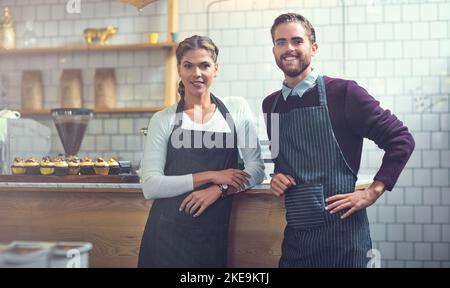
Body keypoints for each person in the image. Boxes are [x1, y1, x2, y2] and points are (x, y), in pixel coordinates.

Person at [262, 13, 415, 268]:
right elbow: (282, 160)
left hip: (345, 241)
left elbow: (401, 138)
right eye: (281, 42)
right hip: (297, 242)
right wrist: (278, 176)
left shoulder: (344, 93)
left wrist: (372, 193)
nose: (288, 48)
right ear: (274, 49)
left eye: (297, 41)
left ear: (313, 47)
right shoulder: (271, 105)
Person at [138, 35, 265, 268]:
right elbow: (151, 185)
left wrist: (220, 188)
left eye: (204, 65)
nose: (197, 73)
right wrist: (210, 176)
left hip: (212, 233)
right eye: (188, 65)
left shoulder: (236, 109)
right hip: (166, 236)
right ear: (179, 69)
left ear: (215, 69)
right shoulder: (163, 119)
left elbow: (256, 169)